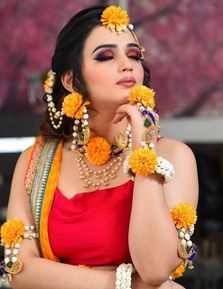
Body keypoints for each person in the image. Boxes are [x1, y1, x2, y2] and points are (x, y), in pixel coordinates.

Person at [0, 5, 198, 289]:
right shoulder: (36, 162)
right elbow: (20, 271)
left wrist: (143, 154)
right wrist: (128, 284)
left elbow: (155, 269)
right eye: (105, 56)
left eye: (134, 55)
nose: (127, 65)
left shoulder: (172, 156)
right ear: (71, 80)